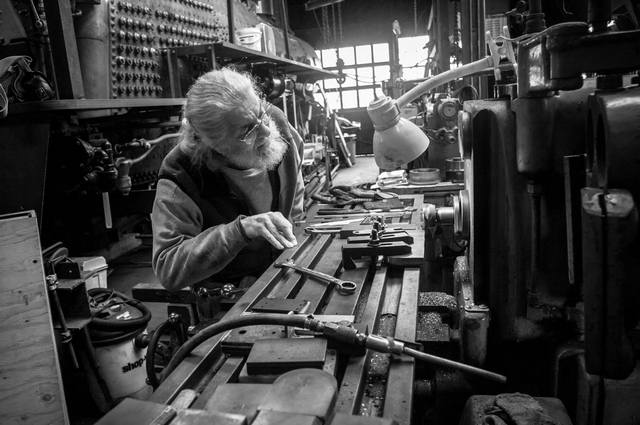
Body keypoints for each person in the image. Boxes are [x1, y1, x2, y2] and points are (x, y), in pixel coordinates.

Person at [151, 68, 305, 292]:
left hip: (282, 273)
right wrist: (239, 231)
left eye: (261, 114)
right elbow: (168, 267)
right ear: (213, 145)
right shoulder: (182, 174)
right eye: (247, 130)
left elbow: (295, 189)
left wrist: (295, 238)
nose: (265, 132)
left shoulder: (275, 123)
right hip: (229, 295)